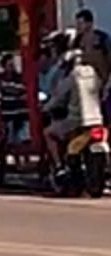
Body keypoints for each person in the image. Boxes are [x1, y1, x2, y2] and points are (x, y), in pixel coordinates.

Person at [43, 49, 105, 177]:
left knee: (48, 133)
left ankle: (59, 166)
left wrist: (46, 108)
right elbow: (101, 92)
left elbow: (58, 98)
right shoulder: (95, 75)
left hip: (76, 120)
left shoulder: (71, 78)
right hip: (97, 119)